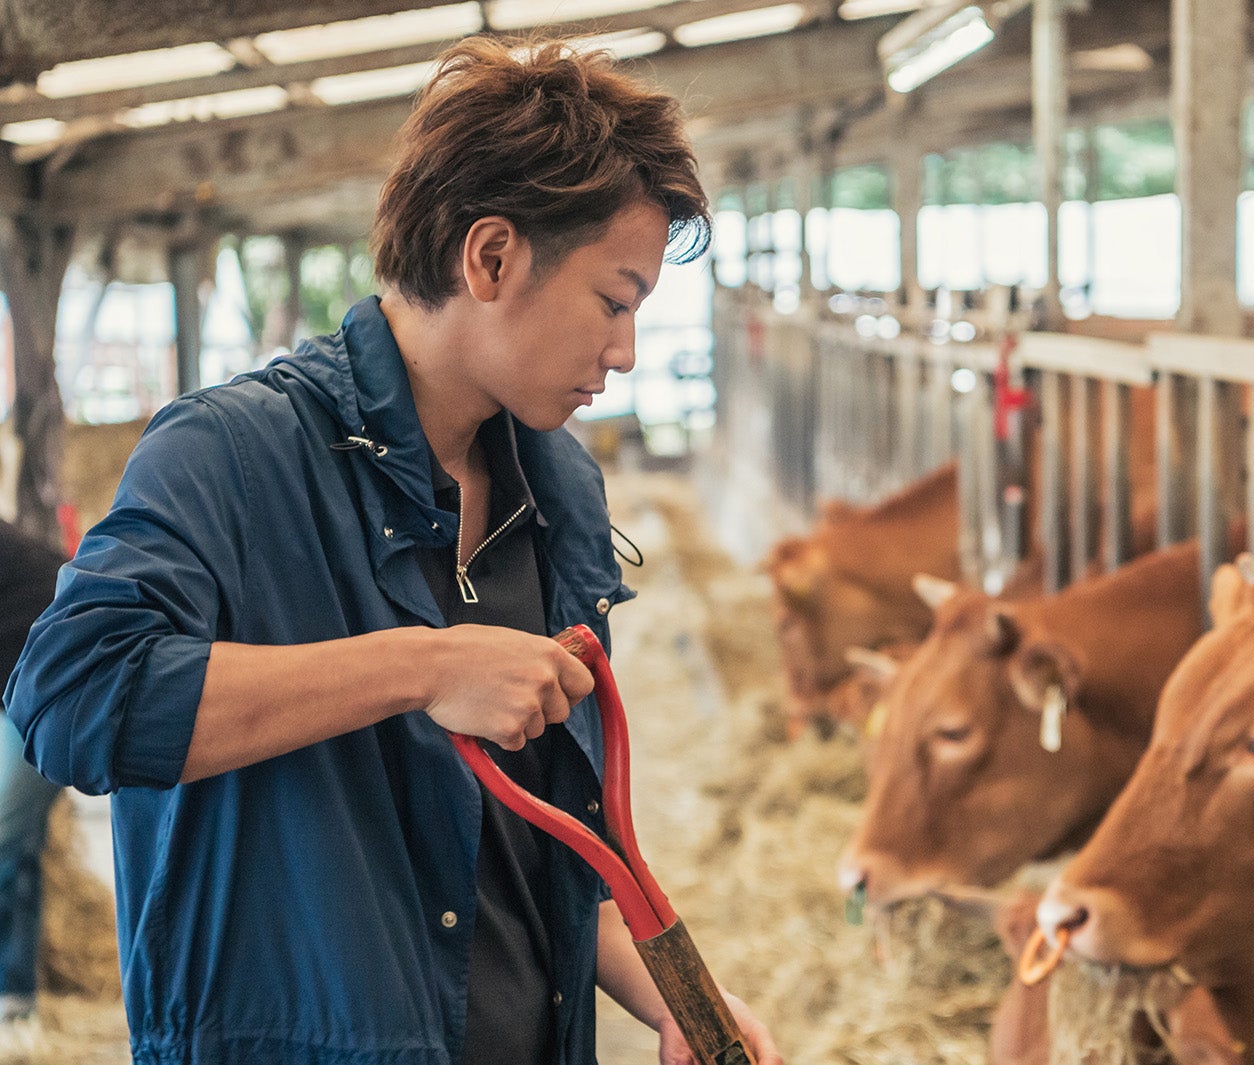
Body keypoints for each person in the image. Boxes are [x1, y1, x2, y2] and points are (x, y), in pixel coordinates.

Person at [5, 36, 781, 1065]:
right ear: (491, 257)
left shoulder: (558, 493)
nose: (624, 351)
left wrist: (675, 995)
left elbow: (542, 840)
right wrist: (421, 665)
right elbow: (68, 700)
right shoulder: (229, 454)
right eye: (613, 299)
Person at [0, 522, 64, 1031]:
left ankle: (14, 998)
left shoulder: (20, 558)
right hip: (17, 687)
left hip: (39, 693)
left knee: (7, 838)